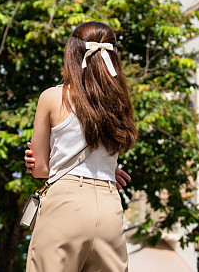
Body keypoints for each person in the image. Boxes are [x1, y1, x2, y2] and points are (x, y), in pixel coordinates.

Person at [23, 21, 137, 272]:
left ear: (72, 54)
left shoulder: (53, 97)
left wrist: (38, 163)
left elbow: (40, 169)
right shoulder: (118, 103)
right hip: (109, 206)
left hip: (65, 203)